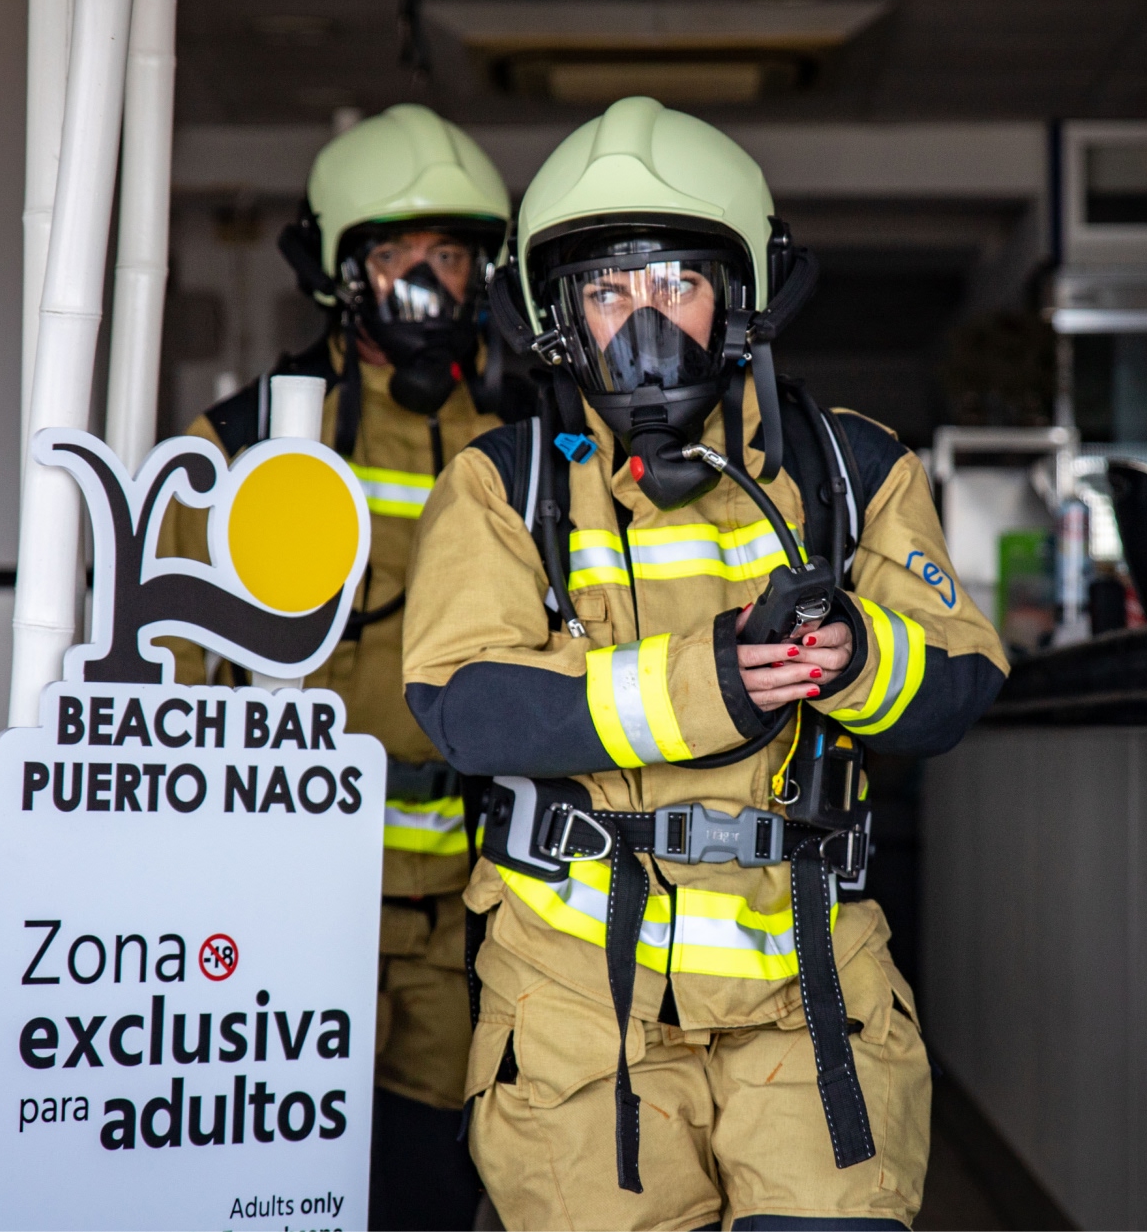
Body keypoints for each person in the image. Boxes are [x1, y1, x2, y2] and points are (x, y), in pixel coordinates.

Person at [403, 95, 1010, 1230]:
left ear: (739, 300)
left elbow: (962, 683)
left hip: (810, 1007)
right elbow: (465, 705)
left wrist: (860, 658)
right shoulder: (504, 485)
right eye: (606, 290)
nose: (641, 325)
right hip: (584, 1027)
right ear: (559, 318)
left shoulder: (853, 467)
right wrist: (712, 684)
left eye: (674, 284)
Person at [155, 103, 512, 1231]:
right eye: (396, 254)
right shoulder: (250, 446)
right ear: (340, 272)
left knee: (434, 1188)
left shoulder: (528, 449)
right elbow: (178, 681)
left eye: (449, 256)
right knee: (280, 1187)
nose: (426, 280)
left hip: (472, 907)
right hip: (294, 898)